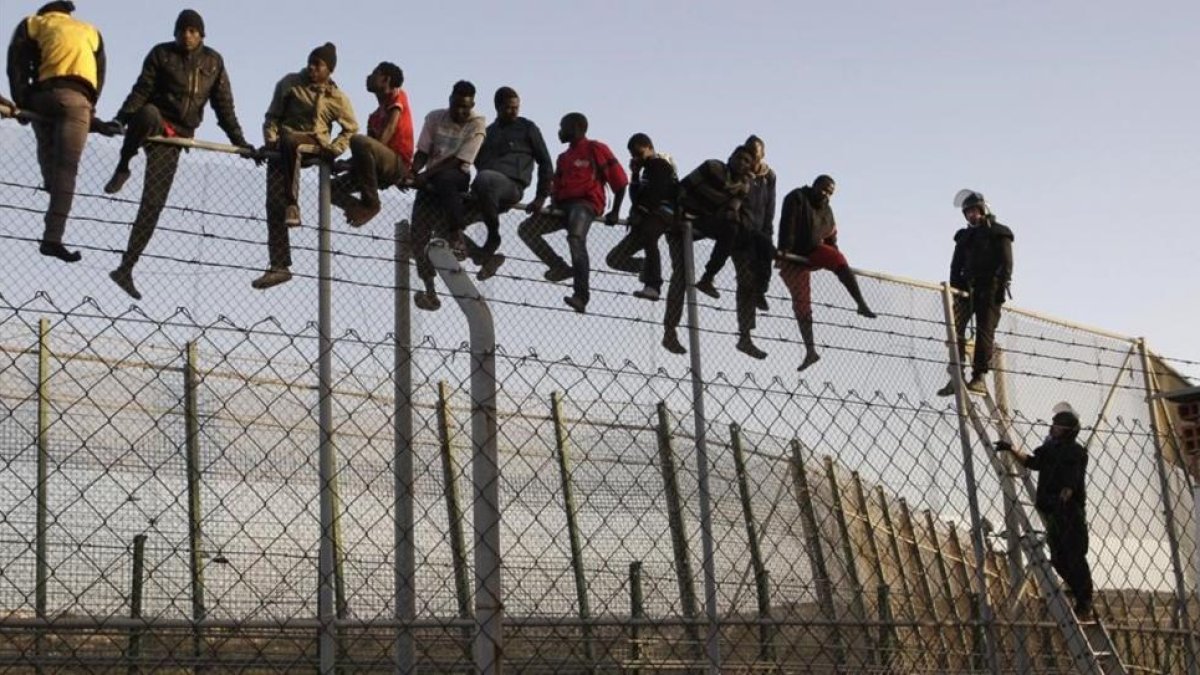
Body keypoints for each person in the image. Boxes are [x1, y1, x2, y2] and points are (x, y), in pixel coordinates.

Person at [104, 9, 253, 300]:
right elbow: (141, 90)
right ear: (175, 33)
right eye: (182, 30)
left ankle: (126, 267)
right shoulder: (161, 54)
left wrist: (240, 142)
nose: (187, 35)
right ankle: (124, 165)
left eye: (193, 31)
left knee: (153, 203)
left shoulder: (213, 61)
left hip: (177, 136)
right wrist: (120, 120)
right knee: (146, 112)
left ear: (201, 35)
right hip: (155, 122)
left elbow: (224, 107)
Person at [6, 1, 118, 263]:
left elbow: (16, 66)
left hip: (43, 97)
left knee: (47, 146)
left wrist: (21, 103)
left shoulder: (34, 23)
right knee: (67, 170)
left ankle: (51, 189)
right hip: (78, 101)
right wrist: (90, 113)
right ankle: (52, 239)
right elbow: (98, 76)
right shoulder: (91, 31)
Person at [252, 42, 358, 290]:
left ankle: (293, 204)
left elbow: (351, 128)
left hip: (313, 145)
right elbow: (273, 117)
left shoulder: (337, 98)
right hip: (283, 149)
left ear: (329, 70)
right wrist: (270, 140)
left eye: (317, 64)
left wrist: (335, 148)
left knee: (291, 141)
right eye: (310, 62)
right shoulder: (290, 83)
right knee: (272, 202)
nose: (311, 68)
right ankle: (279, 265)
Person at [517, 112, 627, 314]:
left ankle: (581, 296)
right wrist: (551, 203)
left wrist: (615, 211)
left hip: (585, 204)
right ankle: (558, 266)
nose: (559, 131)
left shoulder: (595, 148)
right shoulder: (563, 157)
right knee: (526, 229)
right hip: (562, 207)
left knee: (576, 239)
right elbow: (556, 186)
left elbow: (620, 180)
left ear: (575, 127)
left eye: (562, 127)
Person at [661, 146, 763, 357]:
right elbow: (683, 188)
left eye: (747, 161)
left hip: (704, 221)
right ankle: (670, 331)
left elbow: (731, 211)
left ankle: (708, 277)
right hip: (682, 220)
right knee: (680, 275)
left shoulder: (743, 185)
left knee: (732, 228)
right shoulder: (712, 168)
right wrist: (677, 217)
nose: (742, 163)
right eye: (740, 158)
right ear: (730, 158)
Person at [995, 404, 1094, 620]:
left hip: (1068, 512)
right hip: (1052, 511)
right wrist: (1010, 449)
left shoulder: (1075, 452)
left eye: (1057, 425)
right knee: (1058, 558)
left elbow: (1072, 481)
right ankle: (1078, 594)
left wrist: (1063, 499)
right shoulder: (1050, 449)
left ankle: (1084, 600)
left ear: (1068, 430)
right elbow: (1033, 462)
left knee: (1075, 556)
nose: (1052, 428)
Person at [776, 175, 876, 372]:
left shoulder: (827, 210)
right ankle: (811, 351)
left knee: (839, 260)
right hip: (794, 254)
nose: (825, 194)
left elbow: (831, 236)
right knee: (802, 303)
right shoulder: (797, 197)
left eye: (830, 192)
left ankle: (860, 303)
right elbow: (787, 222)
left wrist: (834, 251)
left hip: (813, 250)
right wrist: (785, 249)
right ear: (814, 186)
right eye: (823, 189)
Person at [408, 80, 486, 311]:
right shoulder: (435, 118)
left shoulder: (477, 124)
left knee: (446, 179)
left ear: (472, 105)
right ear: (450, 100)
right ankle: (430, 291)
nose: (460, 111)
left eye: (466, 107)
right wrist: (413, 172)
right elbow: (422, 151)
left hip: (456, 176)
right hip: (430, 180)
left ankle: (456, 235)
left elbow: (460, 161)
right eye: (457, 105)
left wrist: (425, 175)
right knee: (419, 236)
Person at [466, 86, 553, 280]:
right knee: (447, 222)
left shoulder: (527, 128)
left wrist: (540, 197)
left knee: (486, 178)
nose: (514, 111)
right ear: (497, 107)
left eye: (516, 107)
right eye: (508, 108)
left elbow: (546, 163)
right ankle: (484, 258)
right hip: (484, 192)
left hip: (511, 187)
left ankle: (493, 237)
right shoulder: (488, 133)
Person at [937, 190, 1014, 395]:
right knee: (955, 329)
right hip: (966, 291)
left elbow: (1006, 262)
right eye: (968, 212)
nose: (971, 215)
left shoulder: (999, 232)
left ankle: (978, 376)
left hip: (989, 290)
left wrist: (1000, 286)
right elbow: (956, 266)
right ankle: (956, 372)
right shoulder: (964, 237)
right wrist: (956, 290)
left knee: (984, 332)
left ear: (982, 209)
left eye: (974, 210)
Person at [330, 61, 413, 228]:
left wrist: (372, 150)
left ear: (386, 79)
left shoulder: (398, 95)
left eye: (375, 73)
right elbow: (365, 155)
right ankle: (357, 208)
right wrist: (349, 163)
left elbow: (390, 128)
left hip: (397, 163)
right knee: (330, 189)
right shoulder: (374, 116)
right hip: (374, 173)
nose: (369, 77)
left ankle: (371, 204)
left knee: (359, 141)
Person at [605, 132, 676, 301]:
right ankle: (647, 267)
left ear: (650, 148)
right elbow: (636, 198)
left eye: (639, 153)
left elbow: (657, 192)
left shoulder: (659, 164)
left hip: (662, 212)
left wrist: (642, 210)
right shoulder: (645, 171)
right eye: (633, 155)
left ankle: (653, 284)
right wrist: (635, 175)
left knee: (649, 237)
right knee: (614, 259)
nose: (637, 158)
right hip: (645, 217)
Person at [743, 135, 777, 310]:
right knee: (745, 277)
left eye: (754, 152)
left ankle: (761, 292)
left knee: (763, 264)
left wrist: (768, 233)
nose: (750, 156)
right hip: (742, 229)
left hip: (761, 230)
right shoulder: (739, 170)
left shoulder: (768, 176)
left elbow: (770, 206)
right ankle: (745, 333)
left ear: (762, 154)